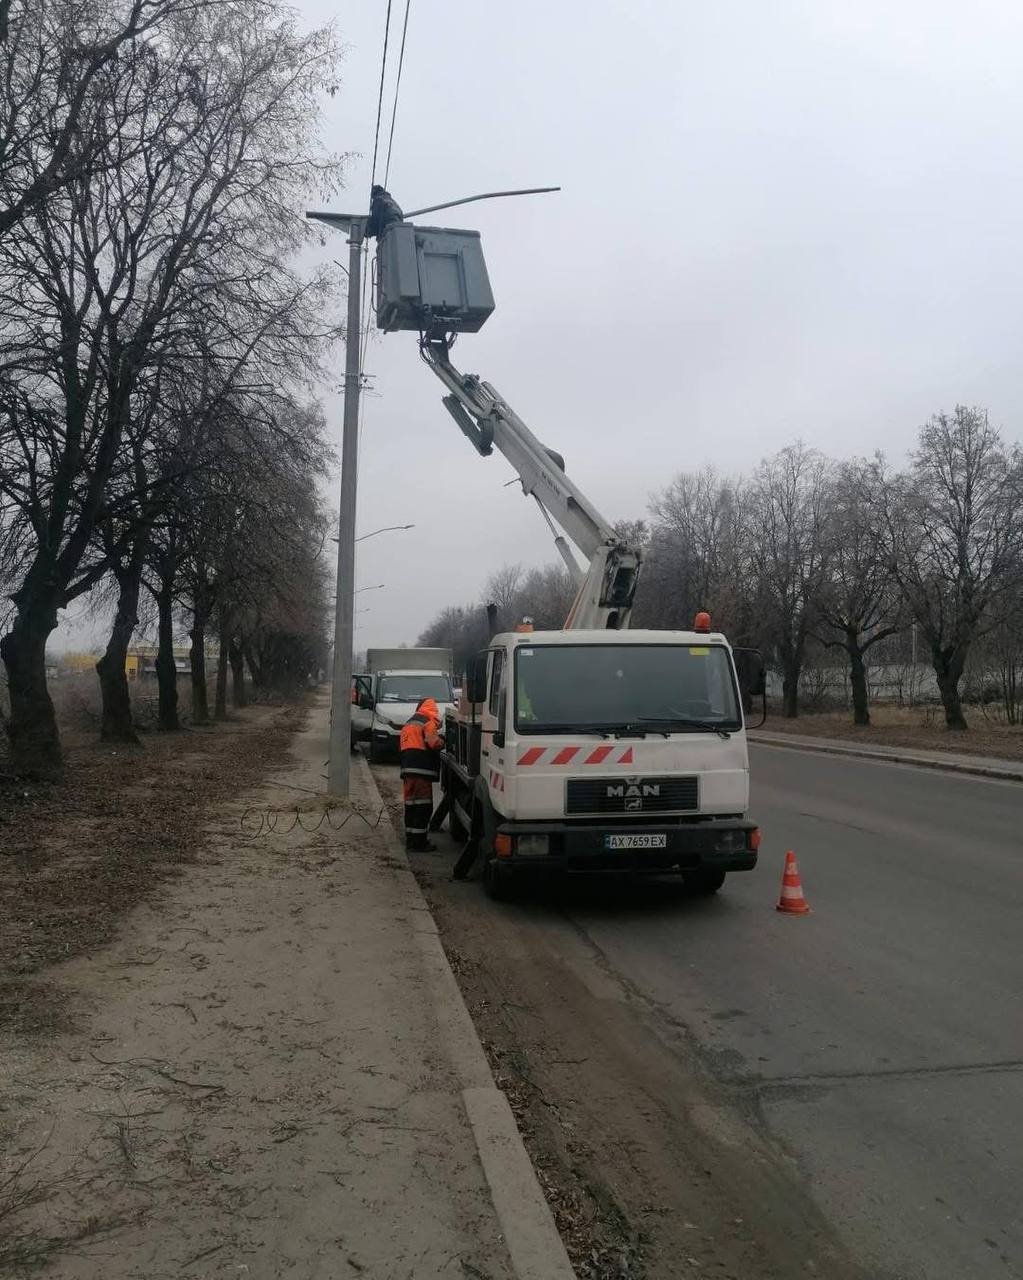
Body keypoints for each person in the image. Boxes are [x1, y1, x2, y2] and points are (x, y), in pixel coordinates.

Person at [399, 697, 444, 852]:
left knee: (411, 806)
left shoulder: (409, 723)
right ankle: (419, 844)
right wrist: (442, 741)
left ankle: (411, 840)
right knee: (423, 807)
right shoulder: (428, 721)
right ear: (433, 709)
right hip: (421, 770)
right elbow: (433, 742)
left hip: (407, 770)